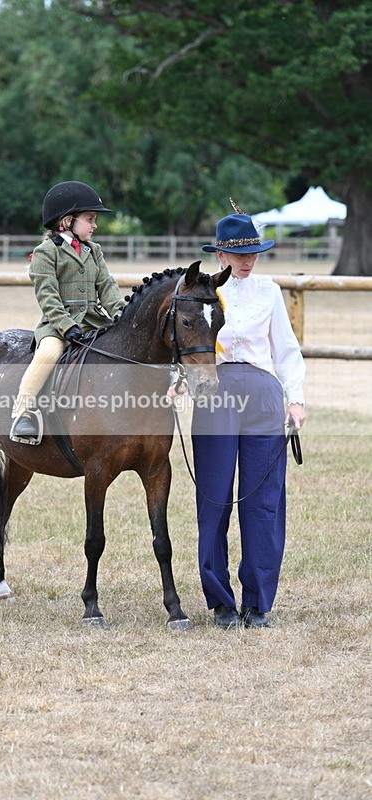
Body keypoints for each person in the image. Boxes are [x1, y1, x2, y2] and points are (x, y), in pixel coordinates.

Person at [191, 206, 306, 629]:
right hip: (215, 396)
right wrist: (179, 381)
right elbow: (186, 345)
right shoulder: (202, 292)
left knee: (264, 503)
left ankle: (258, 602)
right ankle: (220, 600)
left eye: (254, 252)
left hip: (262, 395)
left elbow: (287, 350)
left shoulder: (270, 292)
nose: (248, 259)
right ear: (220, 255)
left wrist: (295, 400)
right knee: (215, 499)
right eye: (240, 253)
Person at [10, 180, 126, 442]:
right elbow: (47, 296)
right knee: (49, 353)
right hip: (58, 325)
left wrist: (121, 314)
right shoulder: (45, 253)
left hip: (94, 322)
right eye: (90, 219)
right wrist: (66, 326)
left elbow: (107, 287)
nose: (95, 225)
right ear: (67, 221)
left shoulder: (94, 251)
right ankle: (24, 412)